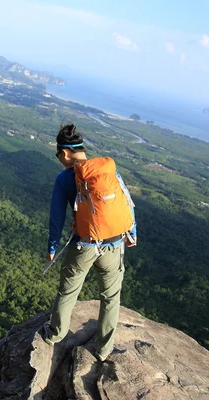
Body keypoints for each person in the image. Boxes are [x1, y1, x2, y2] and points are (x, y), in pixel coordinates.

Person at [43, 124, 137, 362]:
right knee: (111, 297)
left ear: (65, 153)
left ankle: (55, 334)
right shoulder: (107, 172)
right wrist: (131, 232)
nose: (59, 160)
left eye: (58, 155)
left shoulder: (65, 178)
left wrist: (52, 248)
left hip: (83, 245)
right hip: (114, 244)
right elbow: (127, 200)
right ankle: (104, 350)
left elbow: (57, 217)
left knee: (68, 291)